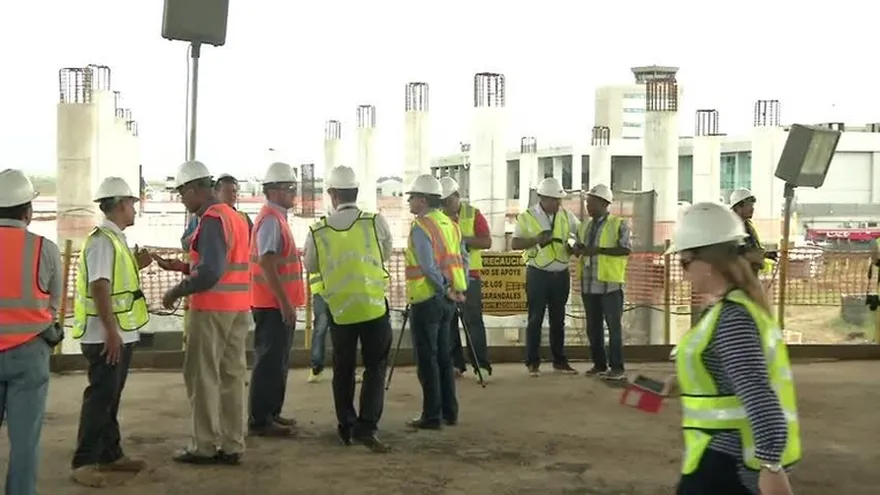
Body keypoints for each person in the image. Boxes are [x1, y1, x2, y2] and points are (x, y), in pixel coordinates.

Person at [668, 202, 798, 495]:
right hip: (720, 455)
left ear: (708, 263)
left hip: (728, 461)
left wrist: (771, 467)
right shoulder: (728, 310)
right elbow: (728, 372)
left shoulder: (733, 319)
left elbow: (759, 395)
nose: (684, 274)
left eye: (685, 263)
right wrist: (683, 382)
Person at [154, 160, 251, 465]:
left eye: (182, 193)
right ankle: (233, 444)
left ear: (196, 189)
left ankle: (204, 445)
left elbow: (210, 272)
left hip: (211, 311)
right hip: (237, 309)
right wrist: (182, 267)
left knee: (203, 377)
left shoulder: (210, 219)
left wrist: (176, 291)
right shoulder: (234, 216)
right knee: (232, 377)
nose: (182, 200)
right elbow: (223, 264)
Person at [303, 165, 394, 452]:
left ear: (332, 194)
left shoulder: (318, 231)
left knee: (343, 370)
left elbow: (310, 265)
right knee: (375, 368)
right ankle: (367, 427)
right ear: (356, 191)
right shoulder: (375, 222)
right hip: (373, 308)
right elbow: (385, 253)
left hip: (340, 310)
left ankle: (346, 425)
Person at [69, 177, 153, 486]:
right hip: (106, 336)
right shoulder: (103, 241)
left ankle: (110, 454)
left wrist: (136, 265)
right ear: (119, 205)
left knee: (110, 398)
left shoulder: (115, 240)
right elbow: (100, 287)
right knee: (100, 398)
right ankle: (84, 461)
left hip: (117, 333)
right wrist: (111, 332)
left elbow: (114, 281)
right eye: (131, 203)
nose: (134, 209)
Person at [0, 168, 63, 495]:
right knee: (25, 441)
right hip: (30, 352)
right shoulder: (44, 249)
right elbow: (54, 304)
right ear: (28, 210)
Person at [403, 174, 469, 430]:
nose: (409, 201)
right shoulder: (451, 225)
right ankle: (449, 412)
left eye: (411, 197)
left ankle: (431, 415)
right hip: (449, 300)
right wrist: (458, 288)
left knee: (427, 359)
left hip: (427, 298)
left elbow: (427, 266)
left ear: (422, 199)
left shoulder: (421, 227)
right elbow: (463, 260)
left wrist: (444, 288)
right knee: (444, 357)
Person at [248, 162, 304, 437]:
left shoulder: (276, 218)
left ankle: (272, 412)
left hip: (276, 303)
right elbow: (266, 262)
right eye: (289, 188)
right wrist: (283, 302)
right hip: (271, 305)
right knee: (269, 363)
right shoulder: (270, 219)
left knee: (278, 361)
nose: (294, 193)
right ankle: (261, 419)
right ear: (273, 191)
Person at [511, 177, 580, 376]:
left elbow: (576, 235)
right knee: (535, 319)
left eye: (559, 200)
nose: (558, 203)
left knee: (558, 320)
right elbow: (515, 244)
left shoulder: (567, 216)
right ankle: (532, 362)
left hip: (561, 274)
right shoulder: (527, 217)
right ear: (542, 198)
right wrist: (536, 240)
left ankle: (559, 361)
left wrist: (574, 245)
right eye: (554, 200)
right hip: (538, 274)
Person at [573, 184, 631, 381]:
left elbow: (625, 249)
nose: (588, 206)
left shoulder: (619, 224)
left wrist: (597, 250)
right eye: (587, 202)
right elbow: (581, 246)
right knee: (593, 328)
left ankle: (617, 368)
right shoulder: (584, 226)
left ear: (604, 203)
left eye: (591, 202)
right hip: (589, 284)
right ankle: (599, 364)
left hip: (610, 284)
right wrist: (577, 249)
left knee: (614, 328)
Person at [438, 176, 492, 380]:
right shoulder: (438, 217)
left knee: (473, 322)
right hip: (446, 276)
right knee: (449, 321)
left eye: (448, 200)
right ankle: (455, 364)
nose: (445, 205)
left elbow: (486, 241)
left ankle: (481, 365)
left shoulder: (473, 214)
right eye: (442, 202)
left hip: (471, 276)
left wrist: (461, 239)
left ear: (457, 196)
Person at [181, 173, 252, 249]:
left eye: (234, 191)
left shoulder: (243, 217)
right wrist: (199, 231)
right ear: (216, 193)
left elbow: (254, 243)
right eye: (227, 191)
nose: (232, 195)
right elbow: (185, 244)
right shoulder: (204, 217)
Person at [729, 188, 777, 276]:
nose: (752, 209)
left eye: (752, 205)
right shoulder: (730, 227)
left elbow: (752, 247)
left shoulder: (747, 225)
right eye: (749, 205)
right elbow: (732, 254)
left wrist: (766, 254)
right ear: (738, 207)